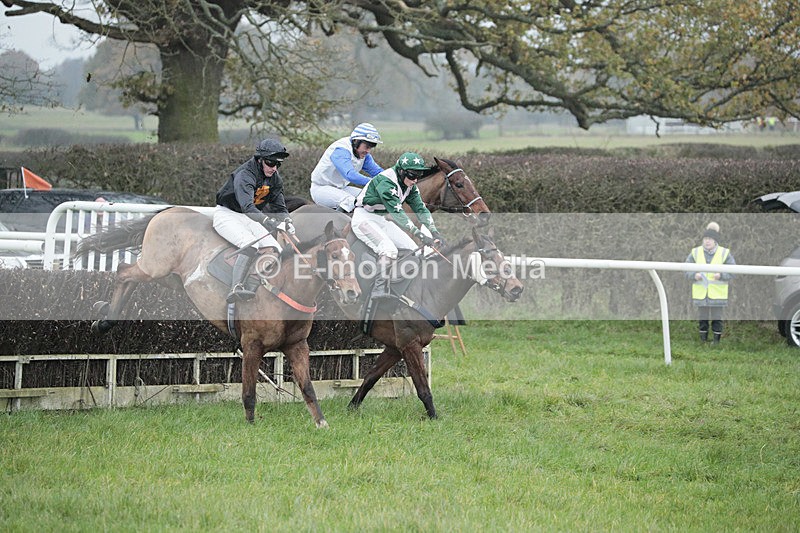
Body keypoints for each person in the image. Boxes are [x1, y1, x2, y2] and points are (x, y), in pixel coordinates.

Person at [352, 151, 445, 300]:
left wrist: (434, 232)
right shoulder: (386, 182)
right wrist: (420, 234)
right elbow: (397, 213)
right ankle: (378, 288)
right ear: (401, 171)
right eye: (412, 175)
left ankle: (405, 287)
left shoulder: (409, 185)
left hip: (381, 219)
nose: (415, 180)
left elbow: (421, 209)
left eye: (419, 175)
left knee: (413, 250)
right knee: (388, 249)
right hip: (364, 218)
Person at [214, 138, 295, 303]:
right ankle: (235, 287)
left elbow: (279, 206)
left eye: (278, 164)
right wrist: (270, 222)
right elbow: (247, 207)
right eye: (270, 163)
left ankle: (252, 285)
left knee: (275, 249)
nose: (274, 168)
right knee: (250, 244)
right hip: (227, 214)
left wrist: (287, 220)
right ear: (260, 160)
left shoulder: (275, 179)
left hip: (248, 217)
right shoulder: (245, 175)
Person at [310, 122, 384, 213]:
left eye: (370, 148)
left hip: (341, 189)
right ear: (356, 141)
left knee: (372, 198)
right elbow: (350, 175)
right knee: (350, 201)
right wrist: (374, 183)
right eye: (366, 147)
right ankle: (337, 222)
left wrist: (393, 180)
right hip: (321, 189)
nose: (368, 151)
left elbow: (378, 172)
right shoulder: (341, 150)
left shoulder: (363, 154)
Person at [685, 222, 735, 344]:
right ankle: (703, 340)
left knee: (717, 319)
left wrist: (721, 275)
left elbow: (733, 271)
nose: (707, 241)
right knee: (703, 318)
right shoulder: (695, 252)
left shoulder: (724, 253)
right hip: (701, 294)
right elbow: (686, 268)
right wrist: (694, 275)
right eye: (705, 238)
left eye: (710, 239)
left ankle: (716, 342)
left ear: (715, 241)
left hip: (718, 294)